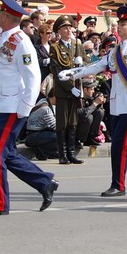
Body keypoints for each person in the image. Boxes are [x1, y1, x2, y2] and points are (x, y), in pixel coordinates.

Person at [58, 6, 127, 197]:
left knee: (119, 146)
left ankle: (118, 185)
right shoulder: (115, 51)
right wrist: (73, 73)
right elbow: (97, 66)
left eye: (124, 24)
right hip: (115, 104)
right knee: (122, 145)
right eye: (119, 23)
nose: (119, 26)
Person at [0, 0, 58, 216]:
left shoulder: (21, 42)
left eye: (1, 13)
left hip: (12, 106)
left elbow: (32, 77)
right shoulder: (3, 37)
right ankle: (44, 182)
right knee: (7, 153)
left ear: (7, 17)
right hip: (1, 103)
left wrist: (25, 107)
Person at [48, 15, 85, 165]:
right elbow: (57, 72)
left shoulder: (78, 46)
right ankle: (62, 154)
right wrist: (70, 89)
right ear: (59, 31)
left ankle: (71, 153)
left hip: (76, 88)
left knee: (73, 122)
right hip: (64, 91)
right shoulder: (55, 48)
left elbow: (86, 67)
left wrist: (82, 64)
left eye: (70, 27)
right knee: (62, 123)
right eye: (64, 28)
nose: (68, 30)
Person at [25, 91, 58, 161]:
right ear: (55, 97)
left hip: (33, 134)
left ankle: (44, 151)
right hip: (34, 136)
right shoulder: (46, 109)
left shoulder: (43, 101)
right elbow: (55, 126)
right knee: (60, 137)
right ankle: (41, 151)